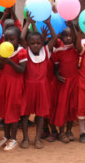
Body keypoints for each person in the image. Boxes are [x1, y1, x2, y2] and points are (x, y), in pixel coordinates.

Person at [20, 13, 57, 149]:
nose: (35, 45)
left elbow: (54, 38)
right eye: (32, 43)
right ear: (28, 44)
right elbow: (21, 38)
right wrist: (28, 23)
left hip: (42, 88)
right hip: (28, 88)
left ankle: (37, 139)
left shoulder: (46, 51)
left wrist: (48, 23)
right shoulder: (25, 52)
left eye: (38, 43)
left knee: (41, 114)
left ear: (43, 43)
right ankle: (25, 138)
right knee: (25, 114)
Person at [0, 26, 27, 151]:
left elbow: (22, 69)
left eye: (12, 39)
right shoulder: (2, 51)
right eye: (6, 39)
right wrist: (2, 61)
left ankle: (13, 138)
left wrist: (10, 62)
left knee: (12, 111)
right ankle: (6, 136)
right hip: (4, 83)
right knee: (4, 110)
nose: (8, 42)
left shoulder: (22, 52)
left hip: (15, 85)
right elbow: (0, 67)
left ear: (18, 40)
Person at [50, 23, 79, 143]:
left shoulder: (76, 49)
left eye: (70, 36)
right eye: (65, 36)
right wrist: (57, 75)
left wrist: (72, 26)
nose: (68, 38)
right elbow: (56, 67)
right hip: (62, 83)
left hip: (74, 82)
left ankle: (69, 130)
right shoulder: (58, 51)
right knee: (62, 106)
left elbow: (77, 39)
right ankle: (61, 132)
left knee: (72, 107)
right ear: (61, 37)